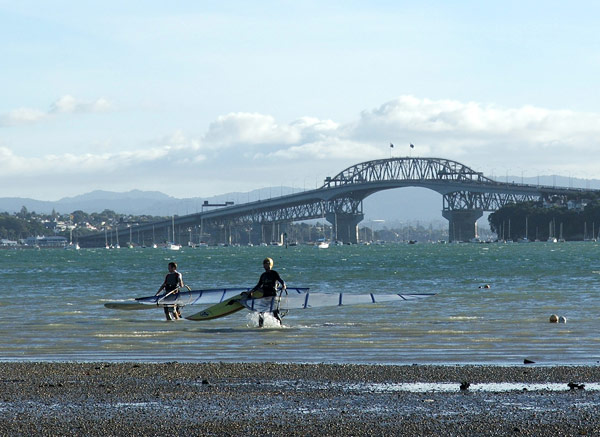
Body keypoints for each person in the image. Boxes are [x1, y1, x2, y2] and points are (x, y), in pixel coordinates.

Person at [247, 257, 286, 327]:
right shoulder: (263, 275)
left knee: (275, 313)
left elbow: (281, 280)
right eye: (264, 264)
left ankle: (281, 327)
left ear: (270, 264)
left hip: (273, 296)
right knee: (261, 313)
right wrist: (252, 291)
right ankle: (260, 327)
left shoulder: (274, 273)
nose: (265, 265)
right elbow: (258, 285)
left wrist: (284, 285)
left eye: (266, 264)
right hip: (265, 296)